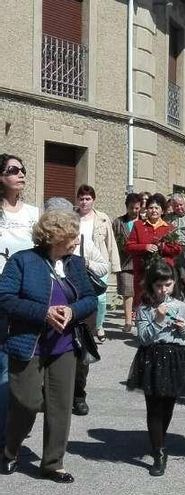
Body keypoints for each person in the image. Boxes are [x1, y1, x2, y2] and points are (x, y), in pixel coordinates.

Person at [0, 209, 98, 483]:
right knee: (27, 402)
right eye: (71, 236)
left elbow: (90, 298)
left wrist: (72, 311)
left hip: (64, 346)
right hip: (28, 345)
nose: (76, 241)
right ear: (54, 237)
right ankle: (10, 450)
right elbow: (4, 298)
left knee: (60, 406)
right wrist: (43, 312)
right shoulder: (23, 261)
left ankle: (52, 463)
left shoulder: (75, 264)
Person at [126, 261, 185, 476]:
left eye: (168, 285)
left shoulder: (180, 305)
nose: (164, 290)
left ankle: (159, 437)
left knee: (168, 405)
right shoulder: (145, 308)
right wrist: (158, 319)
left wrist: (184, 328)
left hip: (175, 357)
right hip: (152, 357)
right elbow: (143, 338)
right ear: (151, 286)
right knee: (154, 406)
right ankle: (159, 451)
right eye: (159, 286)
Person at [45, 197, 110, 418]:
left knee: (81, 355)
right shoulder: (37, 248)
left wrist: (84, 264)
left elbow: (104, 267)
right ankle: (48, 393)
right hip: (50, 310)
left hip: (82, 308)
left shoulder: (82, 242)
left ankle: (78, 394)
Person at [0, 154, 40, 452]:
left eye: (23, 169)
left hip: (25, 299)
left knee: (21, 364)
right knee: (2, 367)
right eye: (13, 170)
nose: (20, 174)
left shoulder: (34, 213)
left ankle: (13, 426)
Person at [76, 184, 121, 343]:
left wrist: (114, 265)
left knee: (100, 298)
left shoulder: (102, 218)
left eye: (88, 199)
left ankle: (99, 325)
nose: (84, 202)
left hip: (98, 262)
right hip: (77, 262)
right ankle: (80, 327)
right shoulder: (72, 218)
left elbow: (111, 243)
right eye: (81, 199)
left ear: (93, 200)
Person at [125, 194, 183, 308]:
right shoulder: (139, 225)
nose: (153, 211)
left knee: (164, 305)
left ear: (162, 211)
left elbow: (177, 249)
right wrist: (144, 247)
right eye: (151, 208)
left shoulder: (169, 227)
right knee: (143, 305)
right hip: (143, 273)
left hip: (164, 273)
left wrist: (163, 247)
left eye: (157, 208)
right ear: (147, 210)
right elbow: (129, 246)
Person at [112, 193, 143, 335]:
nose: (134, 211)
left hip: (142, 262)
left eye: (137, 208)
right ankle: (128, 321)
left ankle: (141, 319)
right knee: (127, 292)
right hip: (124, 262)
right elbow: (112, 242)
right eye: (131, 208)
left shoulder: (144, 222)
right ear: (126, 207)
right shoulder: (118, 222)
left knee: (141, 292)